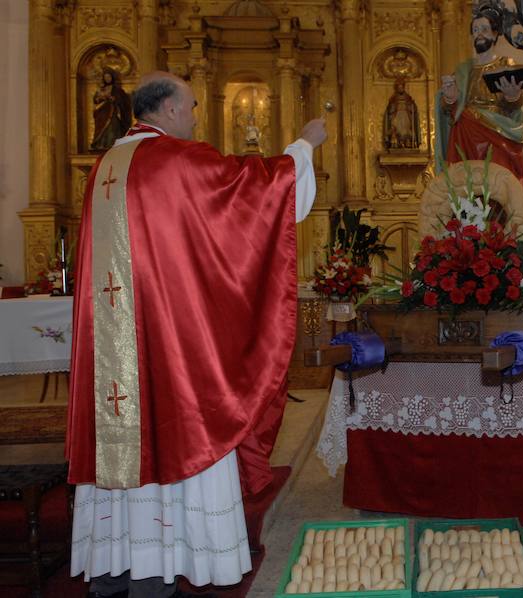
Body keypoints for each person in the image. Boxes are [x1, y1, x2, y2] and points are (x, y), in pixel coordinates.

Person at [66, 71, 327, 598]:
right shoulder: (176, 160)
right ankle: (170, 559)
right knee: (179, 423)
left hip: (115, 348)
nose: (195, 116)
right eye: (189, 107)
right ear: (163, 110)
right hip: (166, 341)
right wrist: (305, 144)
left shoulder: (106, 166)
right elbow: (252, 193)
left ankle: (116, 563)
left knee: (123, 435)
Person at [435, 2, 523, 183]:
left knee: (497, 182)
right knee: (466, 185)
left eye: (485, 29)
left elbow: (515, 104)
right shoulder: (463, 70)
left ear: (495, 34)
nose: (479, 34)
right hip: (465, 134)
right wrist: (449, 97)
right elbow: (449, 109)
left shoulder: (506, 64)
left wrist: (512, 95)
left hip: (497, 133)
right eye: (476, 29)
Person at [91, 68, 133, 151]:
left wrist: (114, 99)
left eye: (109, 77)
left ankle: (111, 144)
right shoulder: (101, 89)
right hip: (102, 113)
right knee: (102, 129)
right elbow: (95, 100)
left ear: (112, 78)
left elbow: (123, 101)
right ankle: (101, 144)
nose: (107, 79)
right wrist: (100, 98)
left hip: (113, 112)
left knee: (112, 128)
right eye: (105, 77)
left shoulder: (117, 90)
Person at [383, 78, 420, 149]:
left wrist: (411, 106)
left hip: (406, 116)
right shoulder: (393, 98)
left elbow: (413, 108)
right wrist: (393, 107)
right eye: (399, 87)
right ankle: (397, 142)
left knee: (406, 130)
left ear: (403, 87)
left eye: (401, 87)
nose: (400, 89)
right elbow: (390, 110)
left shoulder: (408, 97)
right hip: (396, 116)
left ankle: (407, 142)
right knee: (396, 129)